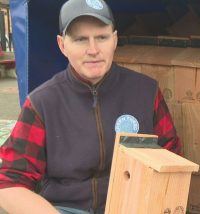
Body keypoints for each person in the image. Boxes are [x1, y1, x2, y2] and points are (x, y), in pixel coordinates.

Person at [0, 0, 181, 213]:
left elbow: (172, 158)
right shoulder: (42, 103)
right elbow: (9, 183)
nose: (93, 50)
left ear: (114, 39)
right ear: (62, 45)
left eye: (102, 37)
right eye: (80, 39)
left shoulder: (146, 92)